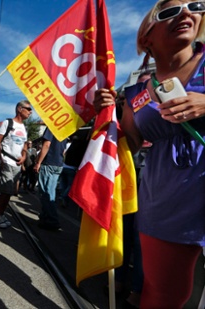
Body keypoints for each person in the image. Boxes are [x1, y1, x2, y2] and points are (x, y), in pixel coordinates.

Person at [94, 1, 205, 307]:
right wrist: (104, 116)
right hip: (164, 197)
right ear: (146, 37)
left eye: (194, 5)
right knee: (164, 293)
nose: (185, 13)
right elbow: (128, 143)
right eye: (170, 11)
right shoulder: (135, 93)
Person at [0, 100, 31, 228]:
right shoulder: (7, 123)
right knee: (6, 190)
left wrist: (24, 156)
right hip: (7, 161)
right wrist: (0, 157)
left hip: (17, 164)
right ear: (20, 109)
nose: (31, 112)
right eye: (28, 109)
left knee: (10, 191)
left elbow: (25, 144)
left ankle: (0, 213)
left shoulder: (24, 127)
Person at [33, 128, 66, 231]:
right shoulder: (65, 129)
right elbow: (64, 150)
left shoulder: (52, 127)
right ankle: (45, 217)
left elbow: (46, 144)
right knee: (51, 192)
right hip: (58, 164)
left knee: (45, 194)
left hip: (49, 163)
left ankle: (52, 220)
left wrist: (38, 162)